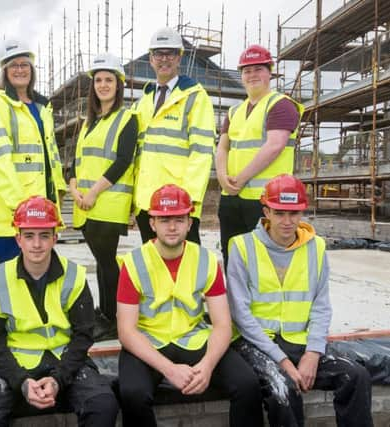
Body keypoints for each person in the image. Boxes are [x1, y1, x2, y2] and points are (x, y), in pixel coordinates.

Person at [227, 174, 373, 427]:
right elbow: (240, 314)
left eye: (294, 213)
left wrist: (313, 353)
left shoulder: (315, 247)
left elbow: (321, 304)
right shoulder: (241, 246)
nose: (287, 221)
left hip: (300, 341)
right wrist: (283, 361)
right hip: (258, 343)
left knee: (356, 376)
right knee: (281, 387)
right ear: (266, 211)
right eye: (279, 213)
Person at [116, 184, 264, 427]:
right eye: (164, 219)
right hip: (149, 342)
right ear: (152, 223)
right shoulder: (133, 263)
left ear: (189, 222)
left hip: (193, 339)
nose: (172, 226)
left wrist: (206, 367)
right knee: (133, 393)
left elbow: (222, 324)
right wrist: (170, 370)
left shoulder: (206, 260)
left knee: (247, 384)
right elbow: (126, 331)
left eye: (178, 219)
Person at [0, 196, 119, 427]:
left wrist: (59, 379)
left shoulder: (74, 276)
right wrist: (21, 382)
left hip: (65, 360)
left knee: (102, 405)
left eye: (44, 235)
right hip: (14, 364)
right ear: (18, 239)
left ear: (55, 238)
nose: (36, 244)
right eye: (29, 236)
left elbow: (83, 335)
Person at [0, 38, 66, 264]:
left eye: (24, 64)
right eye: (13, 65)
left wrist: (59, 192)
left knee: (38, 279)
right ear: (4, 70)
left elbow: (50, 156)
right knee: (6, 283)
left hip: (41, 210)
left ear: (32, 69)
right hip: (9, 215)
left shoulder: (41, 107)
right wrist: (21, 208)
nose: (20, 70)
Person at [69, 52, 138, 340]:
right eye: (98, 80)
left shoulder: (127, 118)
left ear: (118, 85)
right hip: (85, 204)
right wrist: (74, 189)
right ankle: (107, 311)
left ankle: (113, 318)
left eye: (109, 79)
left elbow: (122, 161)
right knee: (101, 262)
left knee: (107, 262)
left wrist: (94, 193)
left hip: (107, 204)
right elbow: (76, 160)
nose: (103, 85)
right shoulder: (88, 122)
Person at [215, 44, 304, 269]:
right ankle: (235, 304)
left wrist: (240, 179)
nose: (252, 75)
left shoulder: (281, 105)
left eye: (258, 69)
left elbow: (274, 146)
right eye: (247, 70)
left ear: (269, 73)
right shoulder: (234, 111)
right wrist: (223, 176)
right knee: (232, 256)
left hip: (266, 200)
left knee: (263, 260)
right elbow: (222, 147)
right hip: (232, 197)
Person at [133, 27, 215, 245]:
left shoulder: (195, 97)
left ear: (180, 57)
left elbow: (202, 152)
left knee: (186, 269)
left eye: (170, 53)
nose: (164, 59)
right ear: (151, 59)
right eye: (158, 54)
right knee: (153, 268)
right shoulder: (145, 101)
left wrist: (188, 198)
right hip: (147, 202)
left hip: (178, 203)